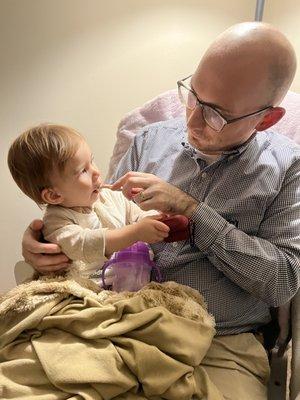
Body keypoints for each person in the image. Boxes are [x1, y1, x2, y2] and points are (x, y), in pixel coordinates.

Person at [21, 22, 300, 399]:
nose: (193, 120)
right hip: (117, 321)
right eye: (193, 96)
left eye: (216, 114)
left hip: (219, 344)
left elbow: (282, 280)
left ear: (266, 118)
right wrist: (43, 239)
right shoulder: (149, 140)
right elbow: (95, 214)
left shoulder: (287, 169)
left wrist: (193, 211)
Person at [8, 124, 169, 281]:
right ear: (54, 196)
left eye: (92, 161)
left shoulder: (111, 196)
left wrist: (160, 217)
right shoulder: (56, 223)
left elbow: (141, 216)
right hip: (86, 290)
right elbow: (86, 243)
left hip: (128, 280)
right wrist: (136, 232)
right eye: (83, 170)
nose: (96, 172)